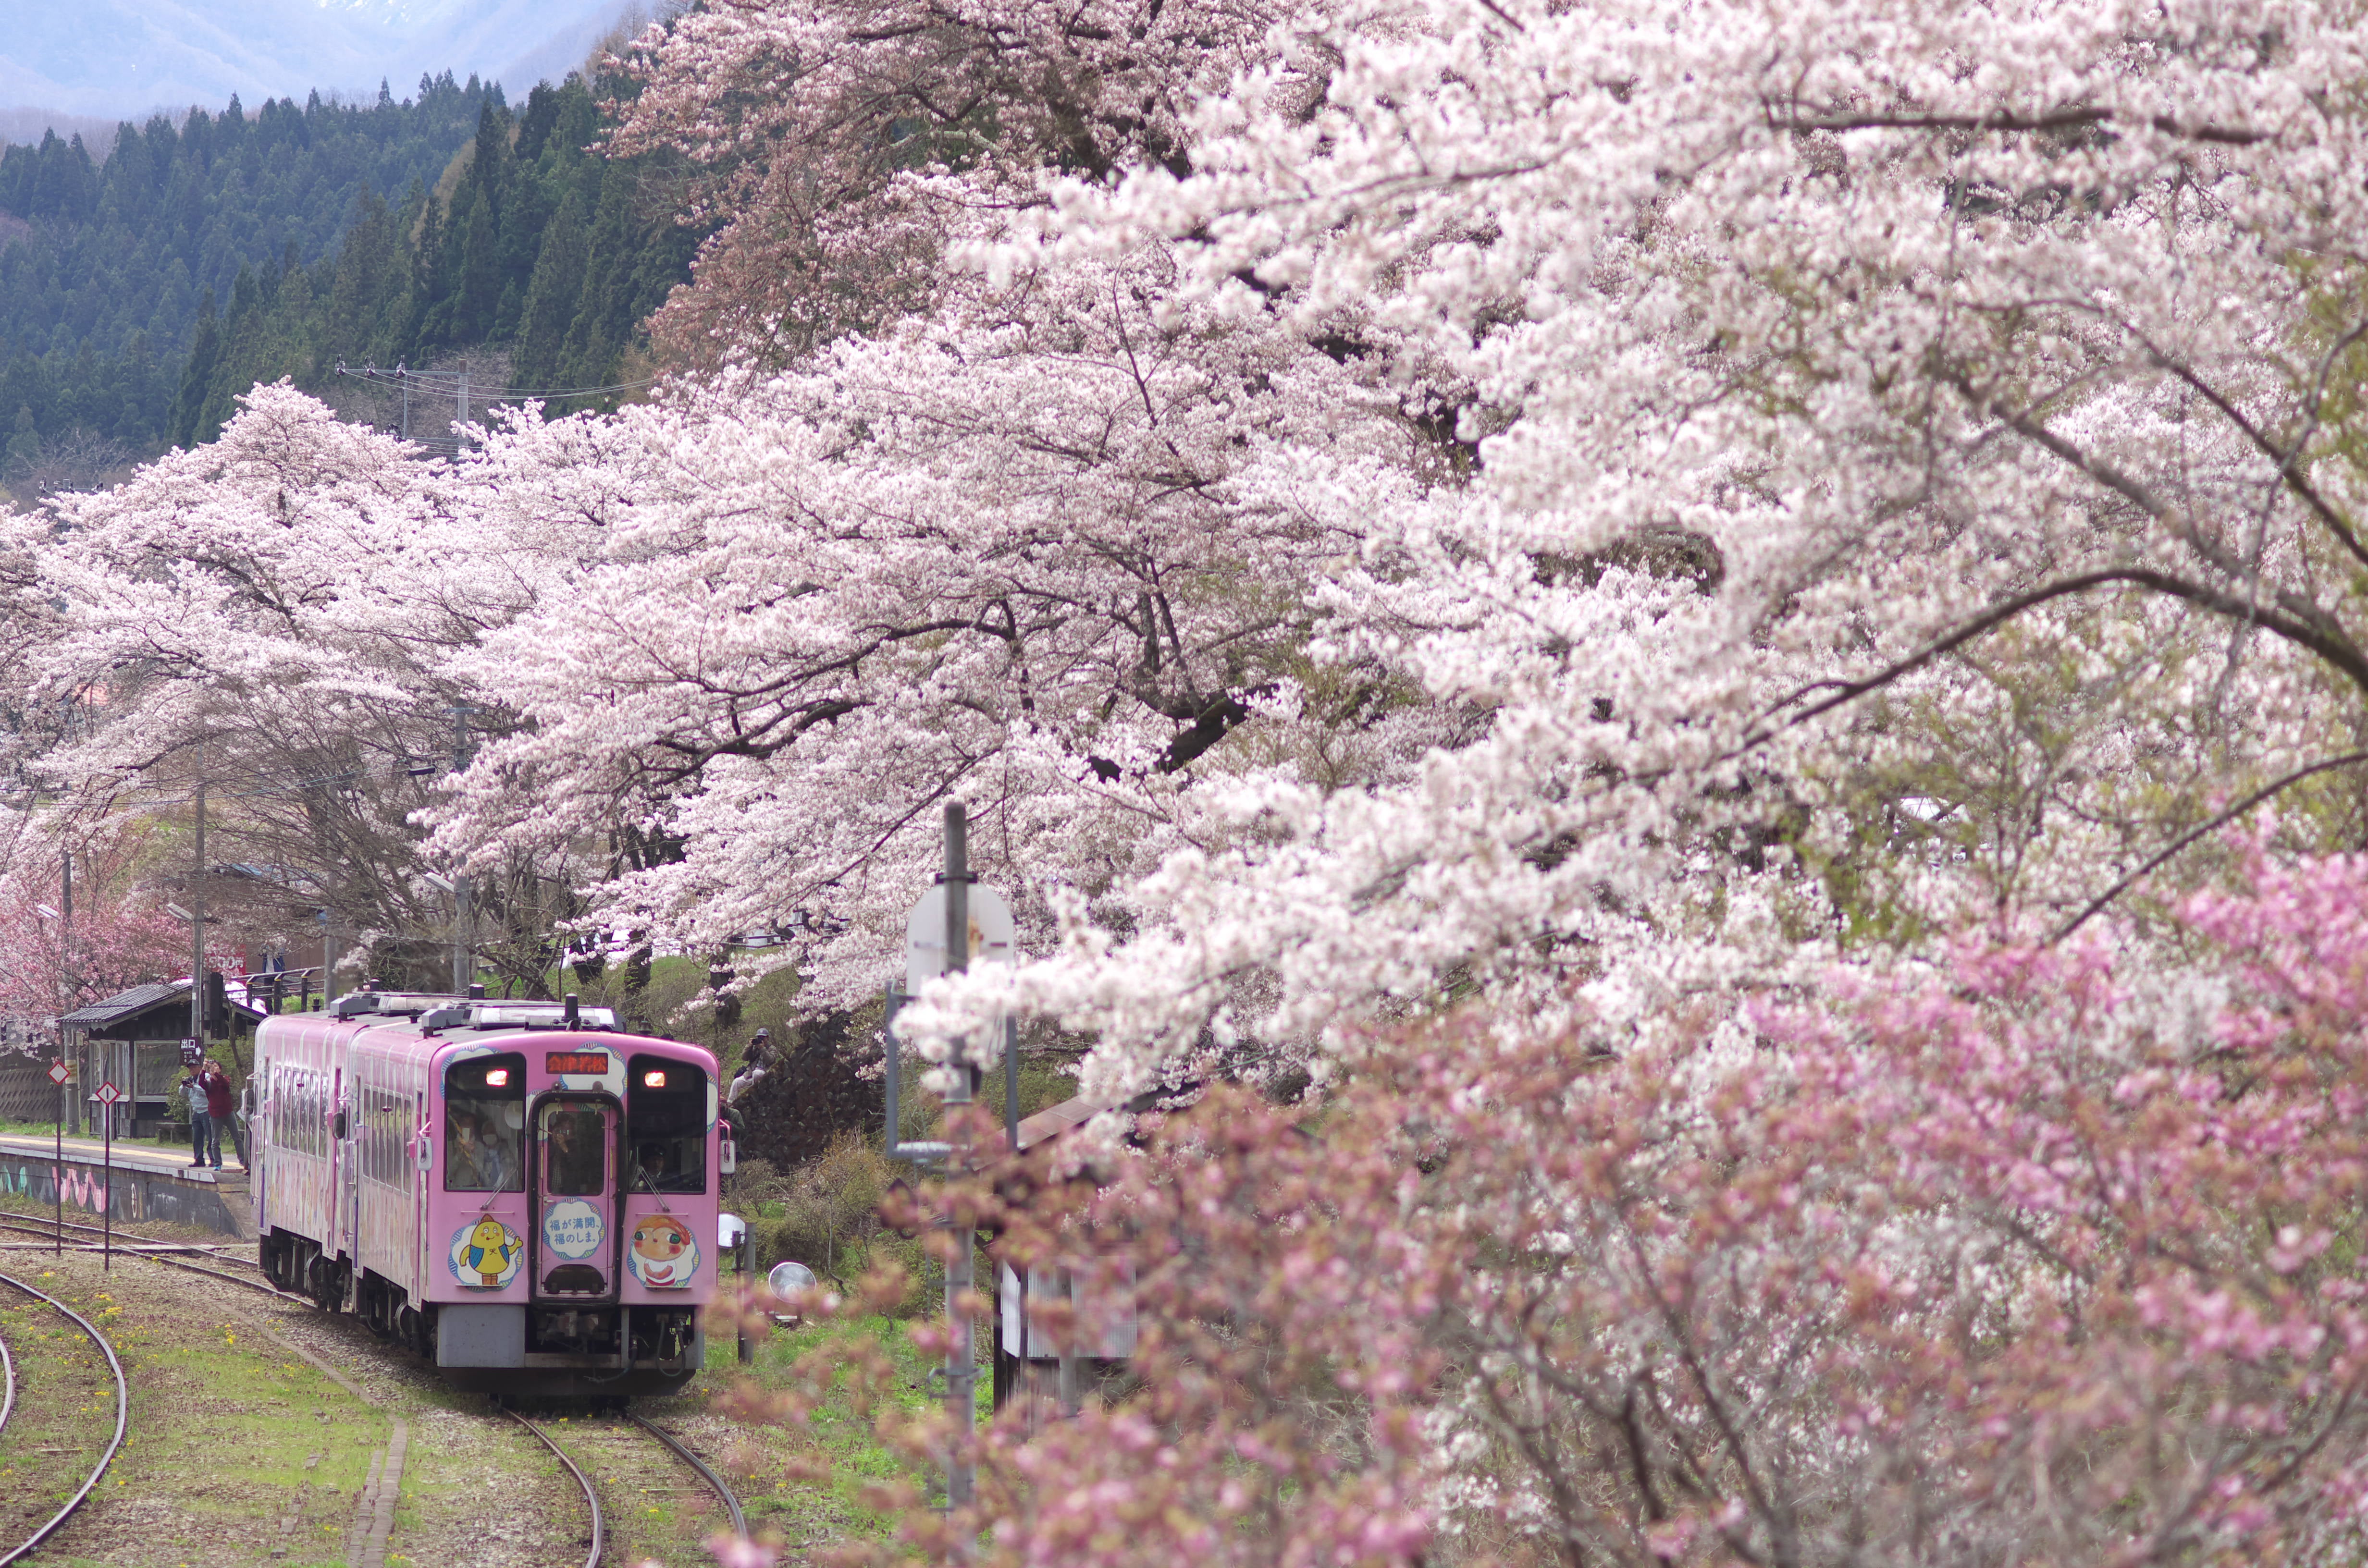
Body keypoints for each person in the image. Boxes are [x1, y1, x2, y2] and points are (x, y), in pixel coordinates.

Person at [198, 1059, 239, 1169]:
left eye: (216, 1067)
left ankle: (243, 1160)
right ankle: (217, 1163)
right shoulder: (209, 1083)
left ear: (220, 1069)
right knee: (215, 1140)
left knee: (237, 1137)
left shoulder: (224, 1079)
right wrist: (204, 1067)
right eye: (213, 1066)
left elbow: (225, 1085)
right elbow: (201, 1083)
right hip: (215, 1114)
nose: (214, 1068)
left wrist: (215, 1074)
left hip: (228, 1112)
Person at [181, 1069, 215, 1168]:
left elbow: (207, 1092)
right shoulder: (190, 1080)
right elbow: (183, 1094)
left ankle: (214, 1159)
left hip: (207, 1110)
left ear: (199, 1068)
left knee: (211, 1137)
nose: (193, 1070)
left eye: (195, 1067)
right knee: (197, 1138)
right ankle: (199, 1159)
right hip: (196, 1112)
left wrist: (194, 1087)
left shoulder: (207, 1077)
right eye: (191, 1068)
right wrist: (184, 1085)